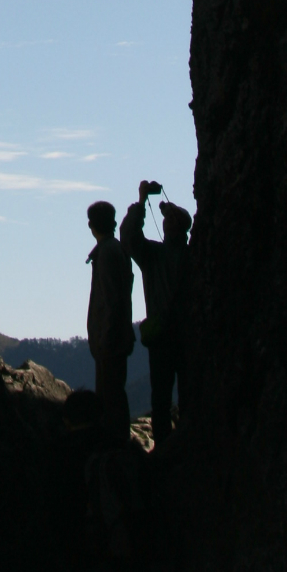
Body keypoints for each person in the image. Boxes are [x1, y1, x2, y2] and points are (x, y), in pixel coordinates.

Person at [119, 180, 191, 441]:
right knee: (185, 399)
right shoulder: (194, 255)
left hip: (164, 338)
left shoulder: (153, 256)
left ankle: (164, 449)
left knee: (162, 400)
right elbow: (129, 237)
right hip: (188, 337)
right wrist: (140, 201)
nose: (166, 222)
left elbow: (128, 237)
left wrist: (141, 202)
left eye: (170, 219)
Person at [85, 199, 134, 442]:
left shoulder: (107, 253)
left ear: (92, 225)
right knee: (113, 396)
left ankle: (115, 447)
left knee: (110, 398)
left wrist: (105, 336)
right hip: (115, 338)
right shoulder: (116, 250)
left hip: (110, 341)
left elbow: (112, 301)